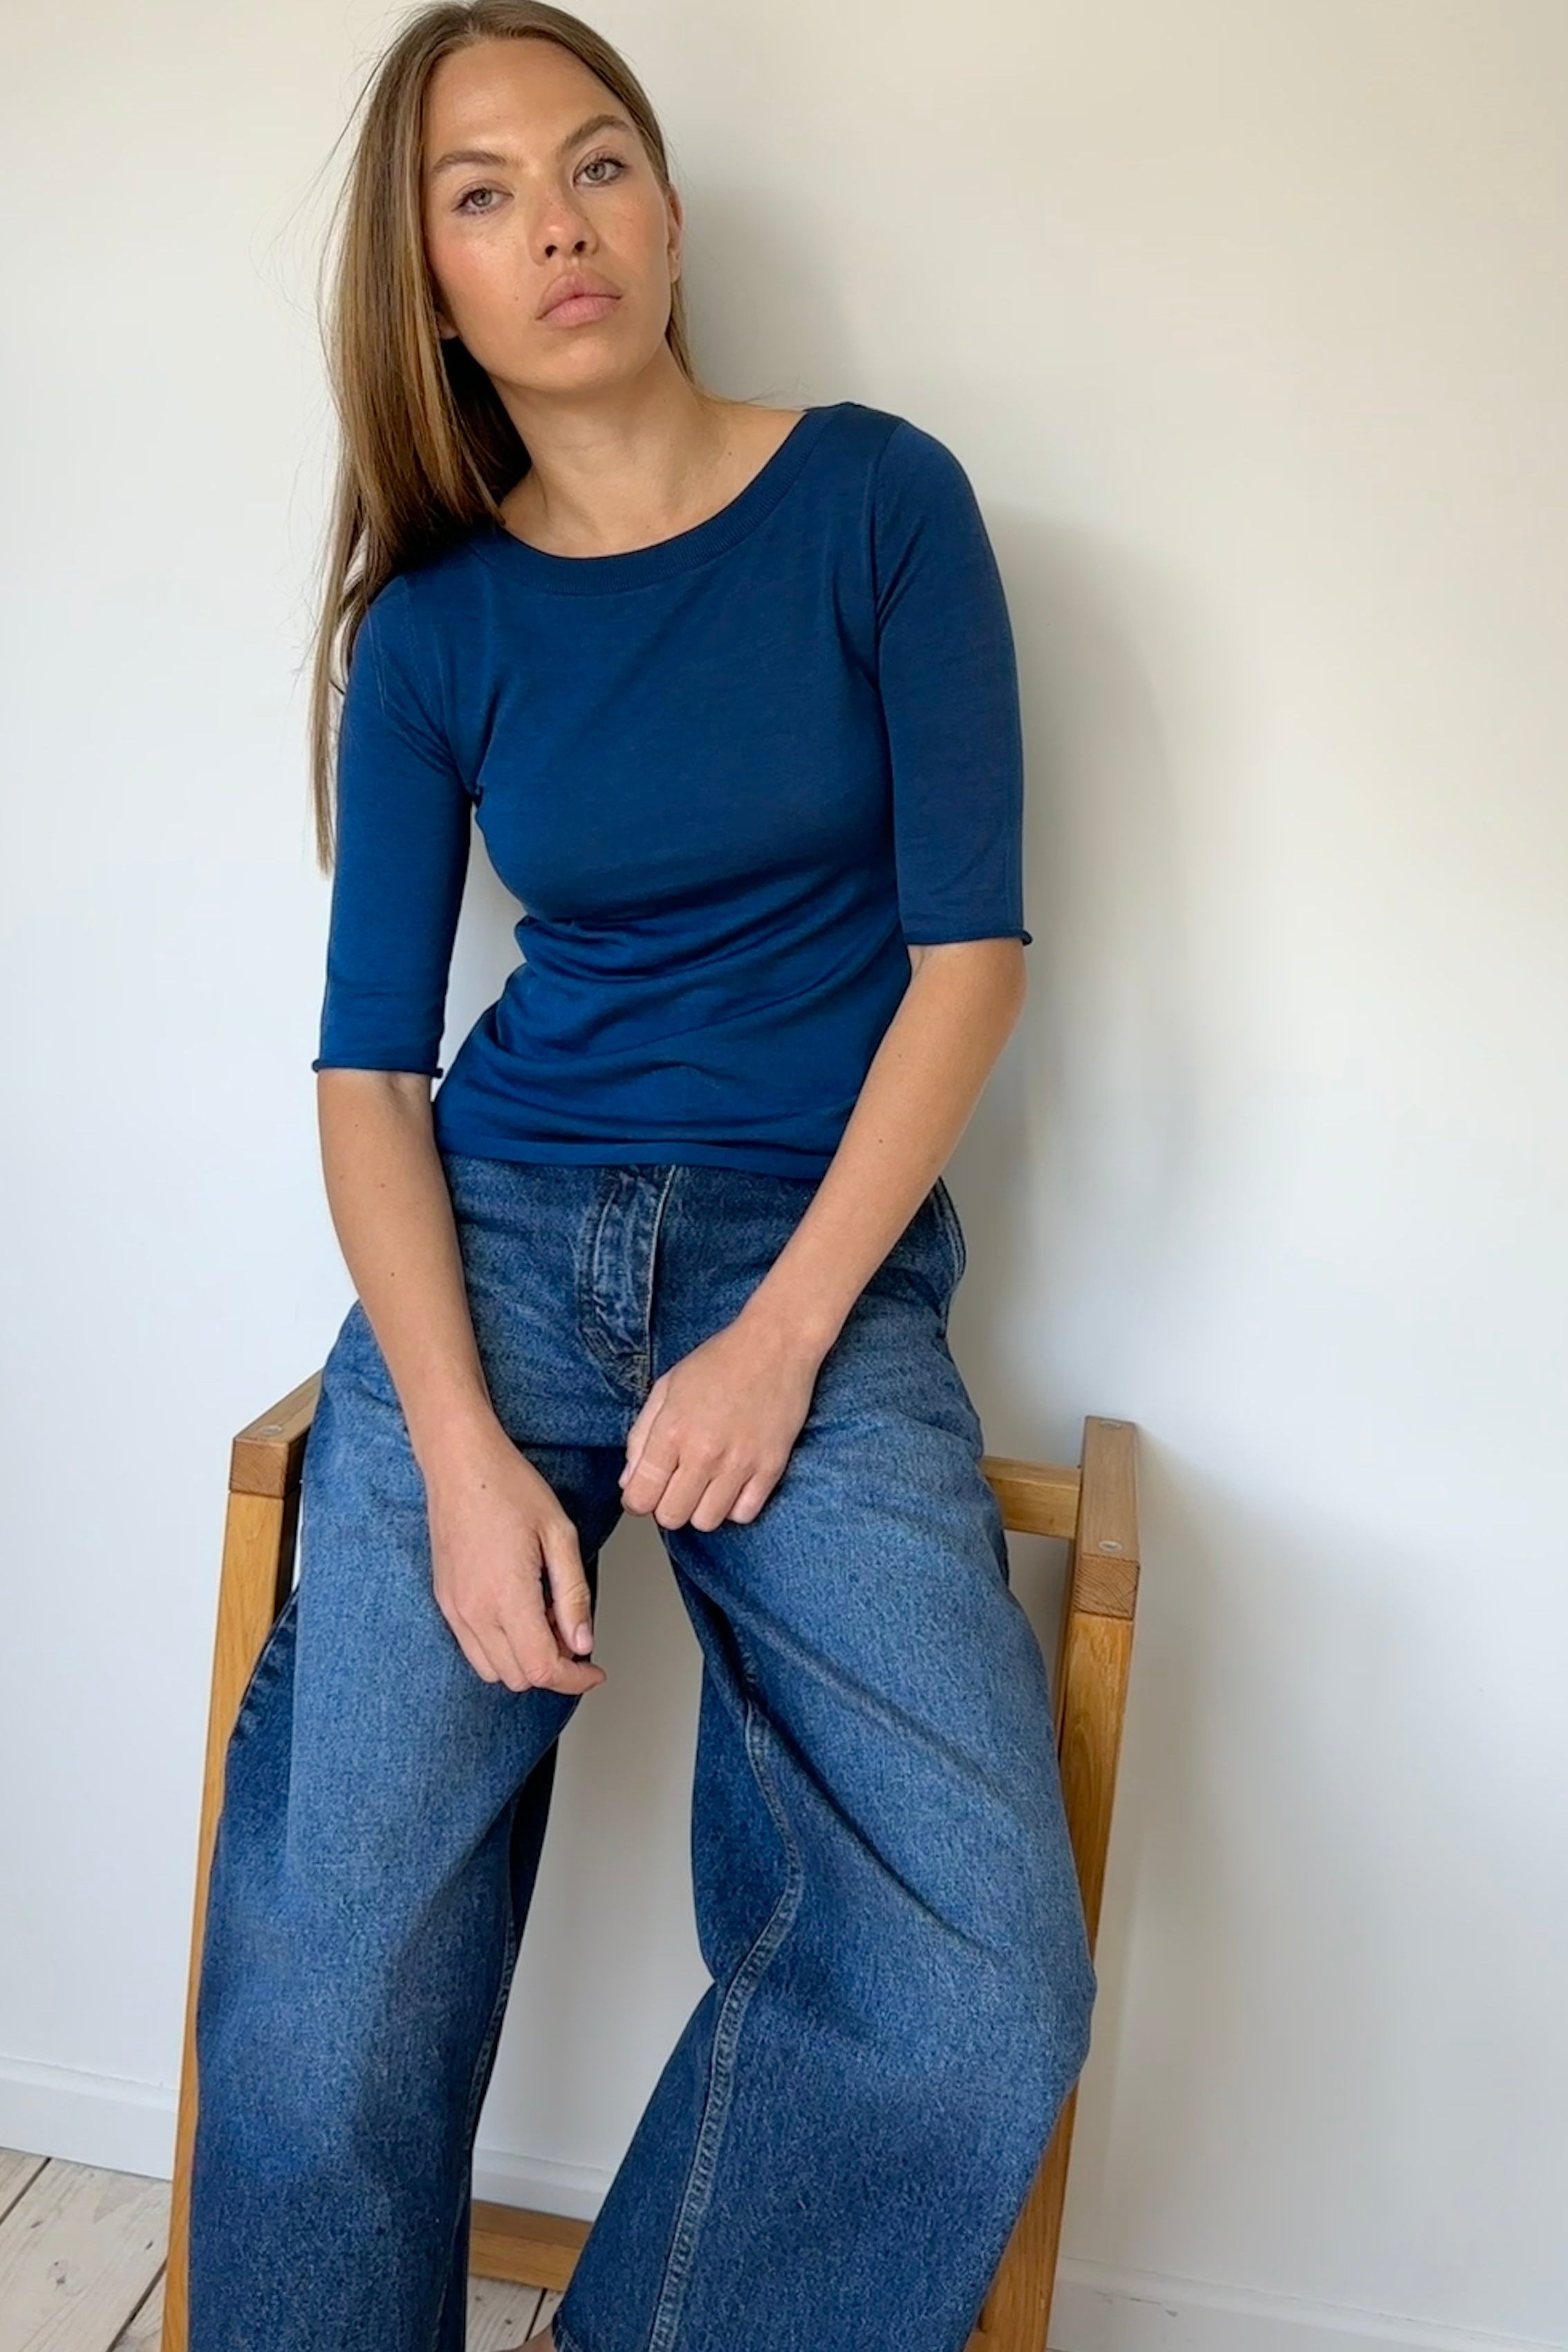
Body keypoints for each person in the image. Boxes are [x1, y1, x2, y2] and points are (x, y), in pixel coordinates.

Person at [186, 6, 1096, 2348]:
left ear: (670, 209)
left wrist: (783, 1332)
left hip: (810, 1270)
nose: (555, 224)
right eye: (478, 194)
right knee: (329, 1987)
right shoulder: (435, 628)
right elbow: (369, 1078)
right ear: (433, 292)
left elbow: (966, 959)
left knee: (978, 1975)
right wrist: (465, 1447)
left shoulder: (880, 501)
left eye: (593, 163)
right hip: (485, 1252)